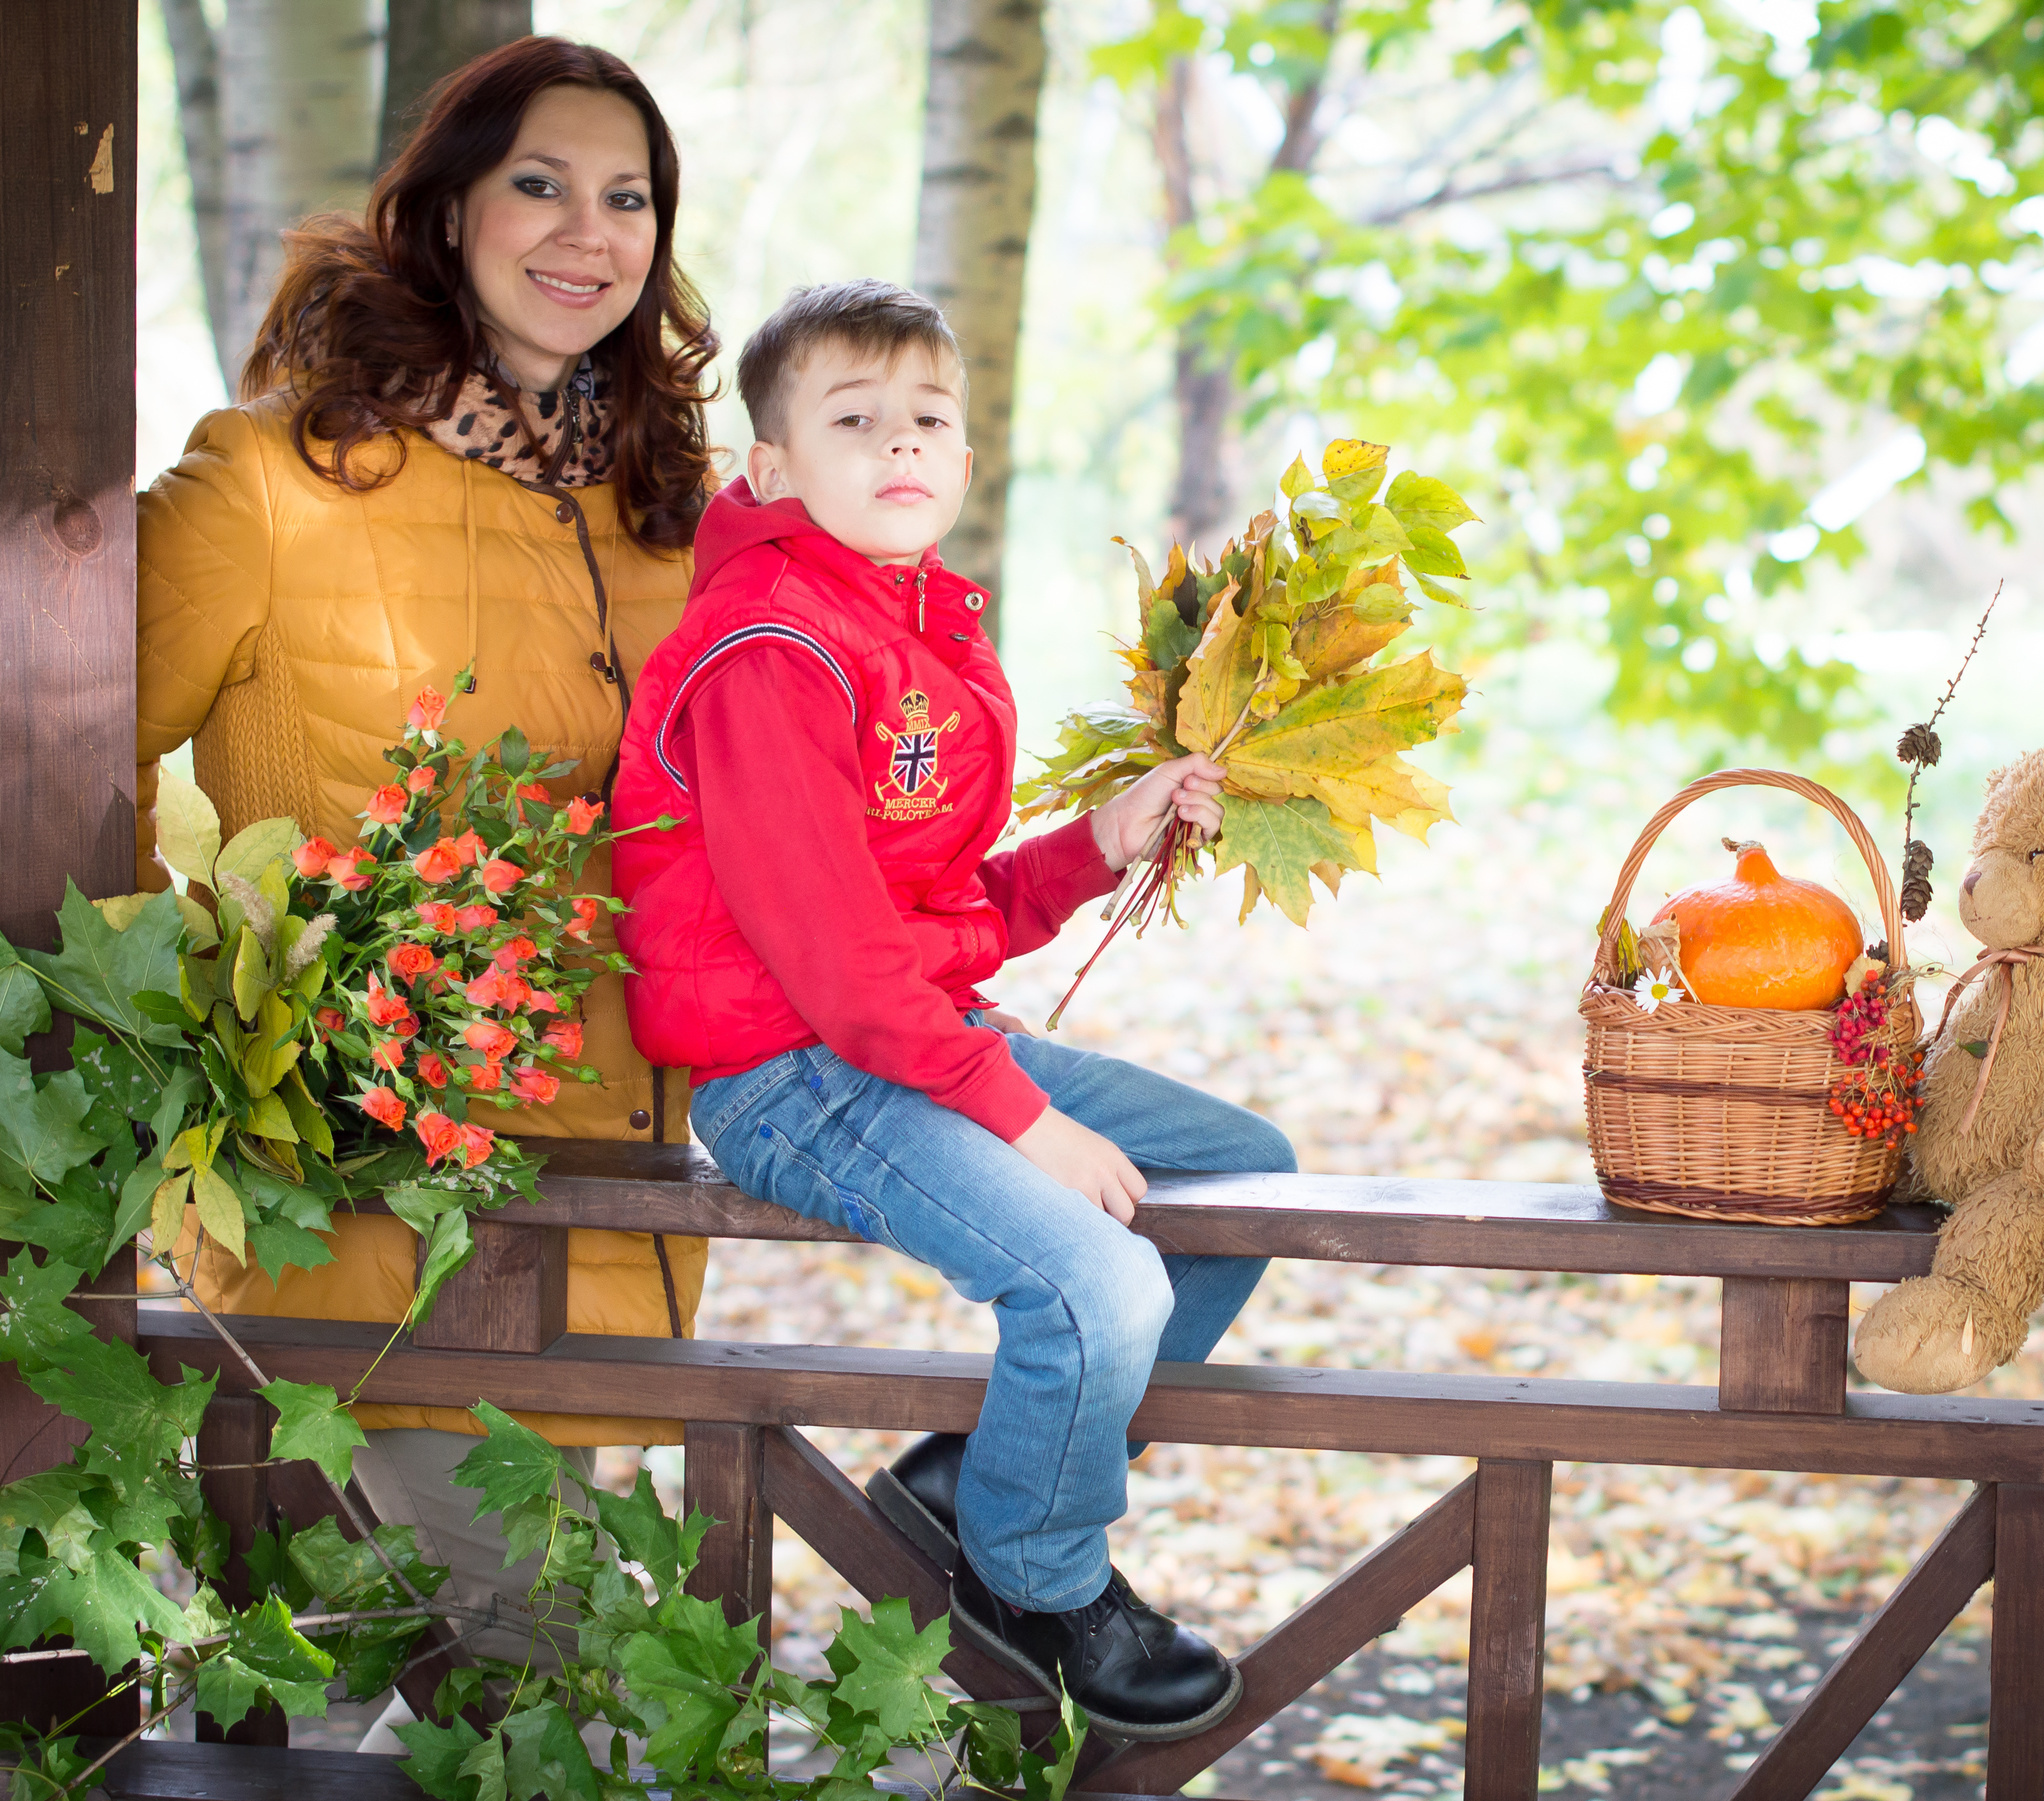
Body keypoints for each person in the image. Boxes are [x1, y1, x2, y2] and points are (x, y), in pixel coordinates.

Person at [613, 278, 1290, 1743]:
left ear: (967, 460)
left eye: (928, 417)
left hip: (892, 1031)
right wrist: (1023, 1116)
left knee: (1241, 1178)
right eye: (854, 420)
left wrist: (1094, 844)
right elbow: (840, 960)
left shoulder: (913, 628)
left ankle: (975, 1472)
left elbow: (926, 911)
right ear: (773, 468)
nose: (900, 443)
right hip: (787, 1065)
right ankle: (1034, 1581)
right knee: (1097, 1284)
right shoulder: (771, 651)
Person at [134, 37, 716, 1723]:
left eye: (629, 198)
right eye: (541, 180)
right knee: (571, 1702)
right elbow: (54, 766)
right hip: (357, 1218)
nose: (585, 229)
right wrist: (202, 995)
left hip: (612, 1213)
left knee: (328, 1717)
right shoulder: (269, 481)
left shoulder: (669, 517)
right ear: (447, 206)